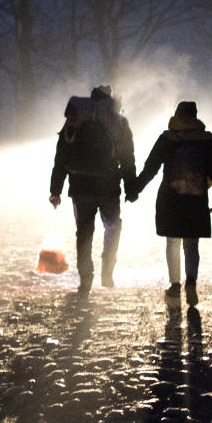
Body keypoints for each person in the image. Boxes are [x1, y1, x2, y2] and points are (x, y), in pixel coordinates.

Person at [132, 101, 212, 321]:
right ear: (195, 116)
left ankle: (174, 287)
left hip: (170, 198)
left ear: (177, 115)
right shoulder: (205, 140)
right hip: (196, 197)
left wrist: (134, 189)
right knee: (191, 244)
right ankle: (191, 282)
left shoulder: (167, 138)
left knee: (172, 242)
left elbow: (151, 167)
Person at [49, 85, 136, 297]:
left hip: (80, 188)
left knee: (84, 233)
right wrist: (131, 187)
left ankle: (85, 281)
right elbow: (127, 158)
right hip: (108, 186)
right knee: (113, 225)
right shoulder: (118, 122)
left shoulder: (76, 119)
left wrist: (55, 189)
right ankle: (107, 270)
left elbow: (61, 157)